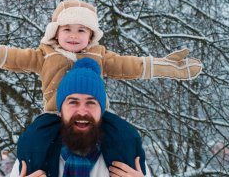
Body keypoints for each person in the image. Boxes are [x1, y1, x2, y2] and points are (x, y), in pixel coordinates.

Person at [0, 0, 202, 174]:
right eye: (68, 29)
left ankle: (121, 170)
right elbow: (12, 58)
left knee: (126, 135)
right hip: (54, 115)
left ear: (91, 36)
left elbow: (131, 66)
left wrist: (168, 66)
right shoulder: (44, 55)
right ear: (56, 32)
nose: (74, 35)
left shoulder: (100, 55)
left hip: (100, 116)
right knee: (33, 139)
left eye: (82, 30)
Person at [10, 57, 148, 177]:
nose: (82, 111)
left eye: (91, 102)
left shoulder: (126, 152)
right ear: (60, 111)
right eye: (73, 102)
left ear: (102, 111)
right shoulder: (35, 150)